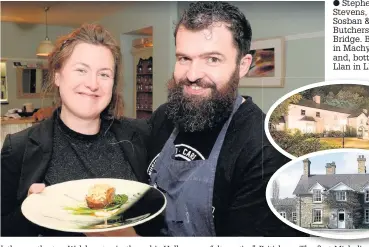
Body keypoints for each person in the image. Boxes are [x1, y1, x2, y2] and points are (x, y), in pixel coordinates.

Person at [146, 2, 307, 237]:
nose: (192, 75)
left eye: (212, 59)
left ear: (242, 66)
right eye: (184, 58)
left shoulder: (263, 152)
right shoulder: (164, 115)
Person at [1, 23, 149, 237]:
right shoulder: (18, 149)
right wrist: (28, 214)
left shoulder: (140, 136)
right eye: (81, 70)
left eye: (104, 74)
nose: (93, 84)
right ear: (57, 75)